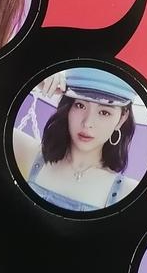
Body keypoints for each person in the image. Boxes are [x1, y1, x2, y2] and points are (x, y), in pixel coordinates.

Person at [13, 68, 140, 212]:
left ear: (122, 118)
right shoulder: (30, 154)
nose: (87, 123)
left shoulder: (127, 192)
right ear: (68, 107)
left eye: (104, 112)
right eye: (80, 105)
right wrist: (34, 77)